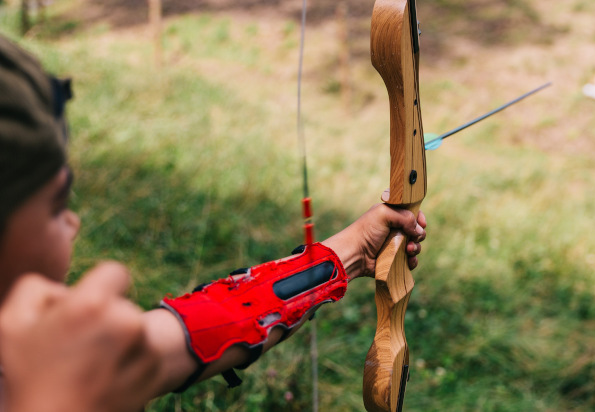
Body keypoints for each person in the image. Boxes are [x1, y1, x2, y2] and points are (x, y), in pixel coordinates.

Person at [0, 35, 427, 412]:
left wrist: (350, 251)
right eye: (57, 205)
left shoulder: (50, 346)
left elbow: (206, 328)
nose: (72, 222)